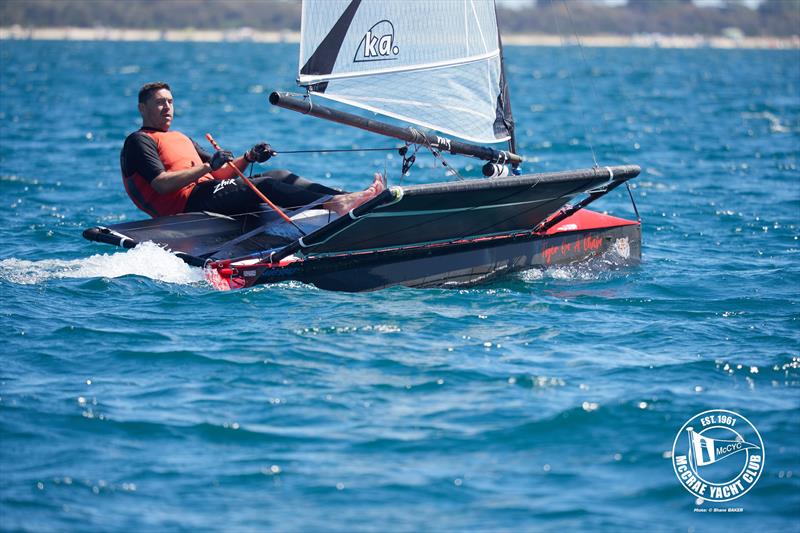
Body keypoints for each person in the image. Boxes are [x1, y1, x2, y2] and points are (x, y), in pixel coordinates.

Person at [120, 81, 384, 218]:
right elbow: (161, 185)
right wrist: (206, 166)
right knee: (265, 186)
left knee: (279, 174)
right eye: (159, 103)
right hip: (188, 206)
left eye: (170, 102)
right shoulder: (139, 141)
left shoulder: (180, 137)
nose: (167, 108)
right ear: (142, 108)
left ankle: (352, 196)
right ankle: (336, 204)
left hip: (207, 192)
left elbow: (223, 175)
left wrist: (248, 157)